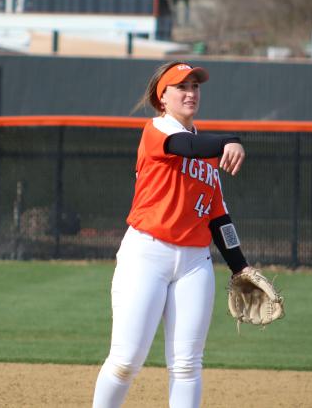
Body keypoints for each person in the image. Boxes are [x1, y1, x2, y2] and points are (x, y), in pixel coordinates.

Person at [92, 61, 250, 408]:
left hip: (195, 261)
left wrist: (241, 268)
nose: (191, 92)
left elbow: (219, 216)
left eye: (195, 86)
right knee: (125, 361)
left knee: (187, 365)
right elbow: (186, 147)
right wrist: (232, 139)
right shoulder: (157, 131)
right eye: (182, 87)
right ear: (162, 97)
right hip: (147, 254)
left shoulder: (207, 150)